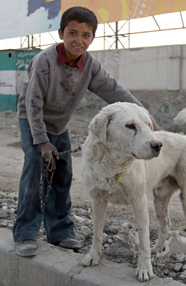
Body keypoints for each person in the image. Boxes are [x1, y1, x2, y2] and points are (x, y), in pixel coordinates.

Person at [13, 6, 160, 257]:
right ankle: (25, 233)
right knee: (35, 173)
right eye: (72, 33)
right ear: (60, 33)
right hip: (33, 122)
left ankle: (60, 231)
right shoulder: (44, 61)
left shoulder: (89, 65)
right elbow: (33, 103)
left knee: (62, 175)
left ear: (92, 38)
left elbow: (113, 90)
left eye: (86, 35)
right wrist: (42, 142)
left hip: (60, 125)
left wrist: (142, 115)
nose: (78, 40)